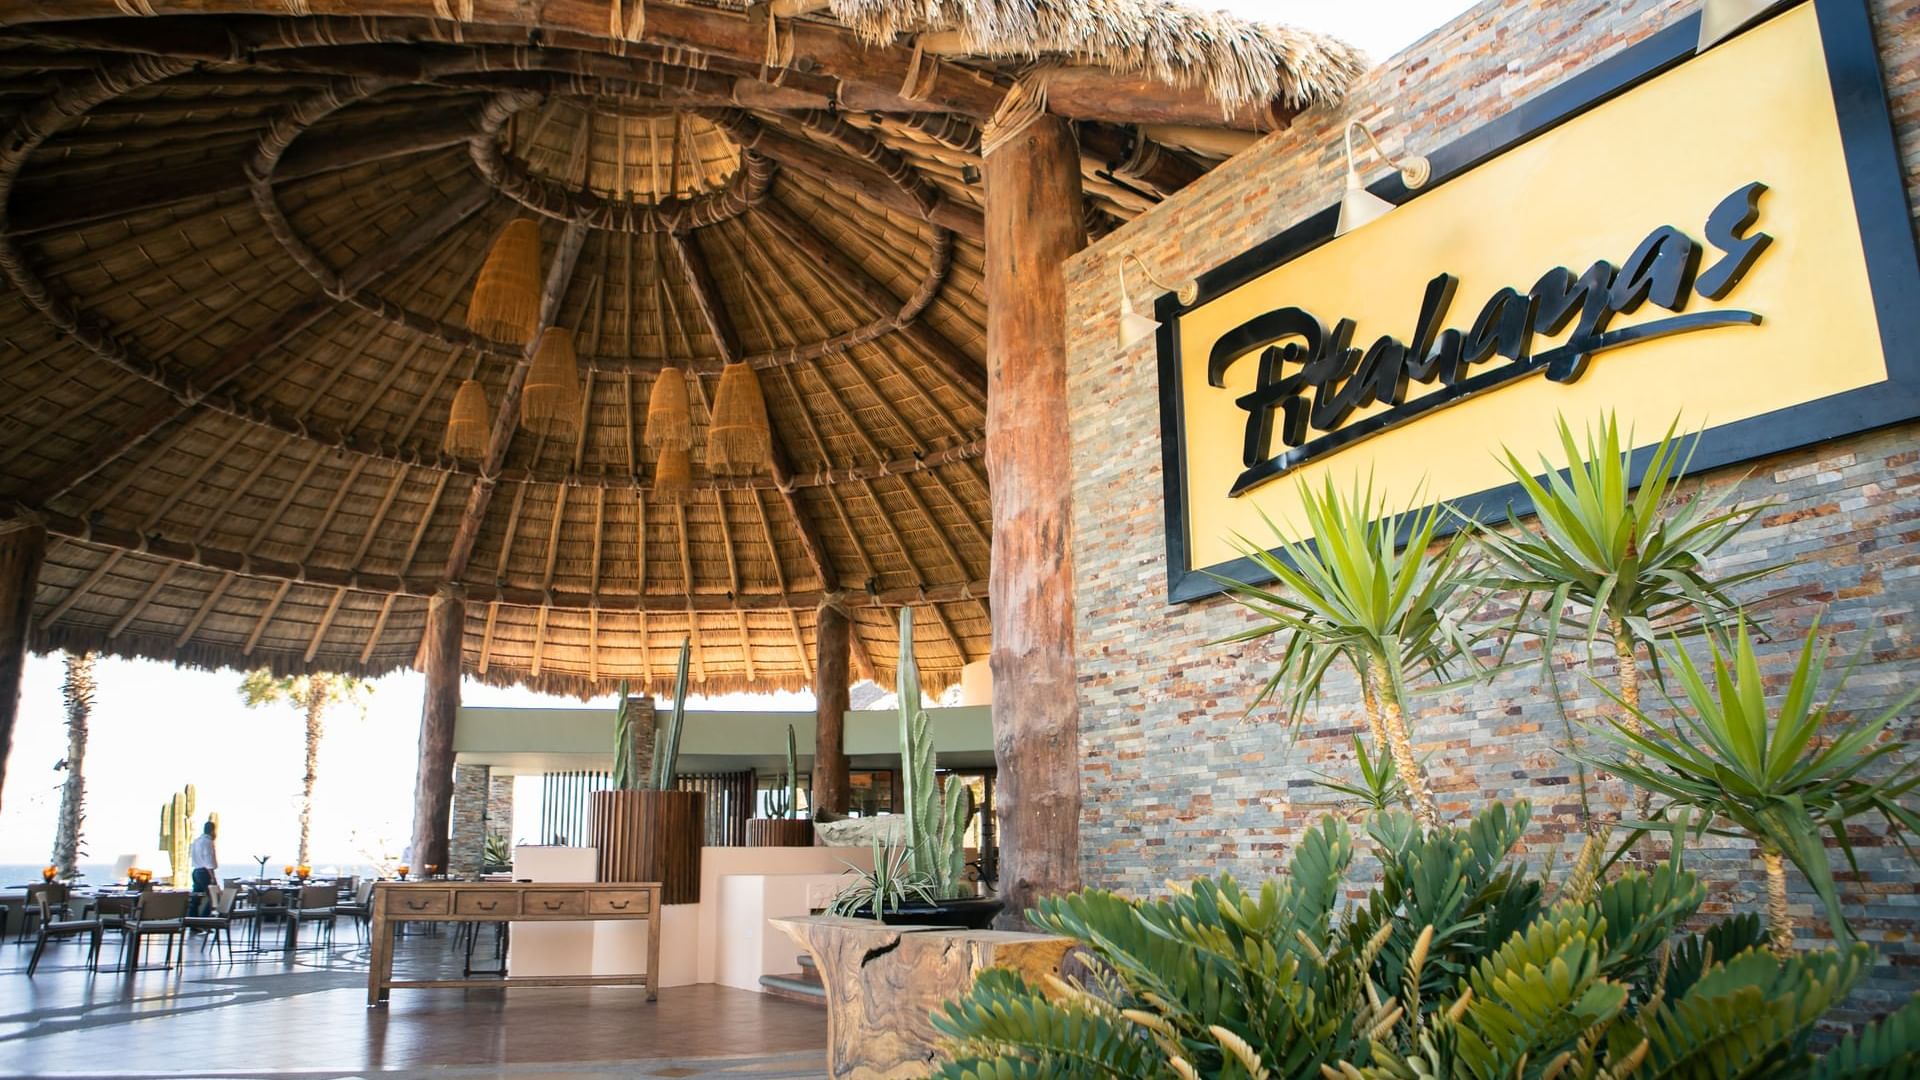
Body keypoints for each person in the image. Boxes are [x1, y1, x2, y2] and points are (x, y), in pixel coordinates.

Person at [189, 820, 219, 916]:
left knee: (195, 899)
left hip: (196, 871)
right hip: (204, 872)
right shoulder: (208, 842)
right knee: (213, 897)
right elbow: (208, 861)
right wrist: (213, 877)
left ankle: (193, 921)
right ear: (212, 831)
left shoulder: (196, 841)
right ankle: (204, 920)